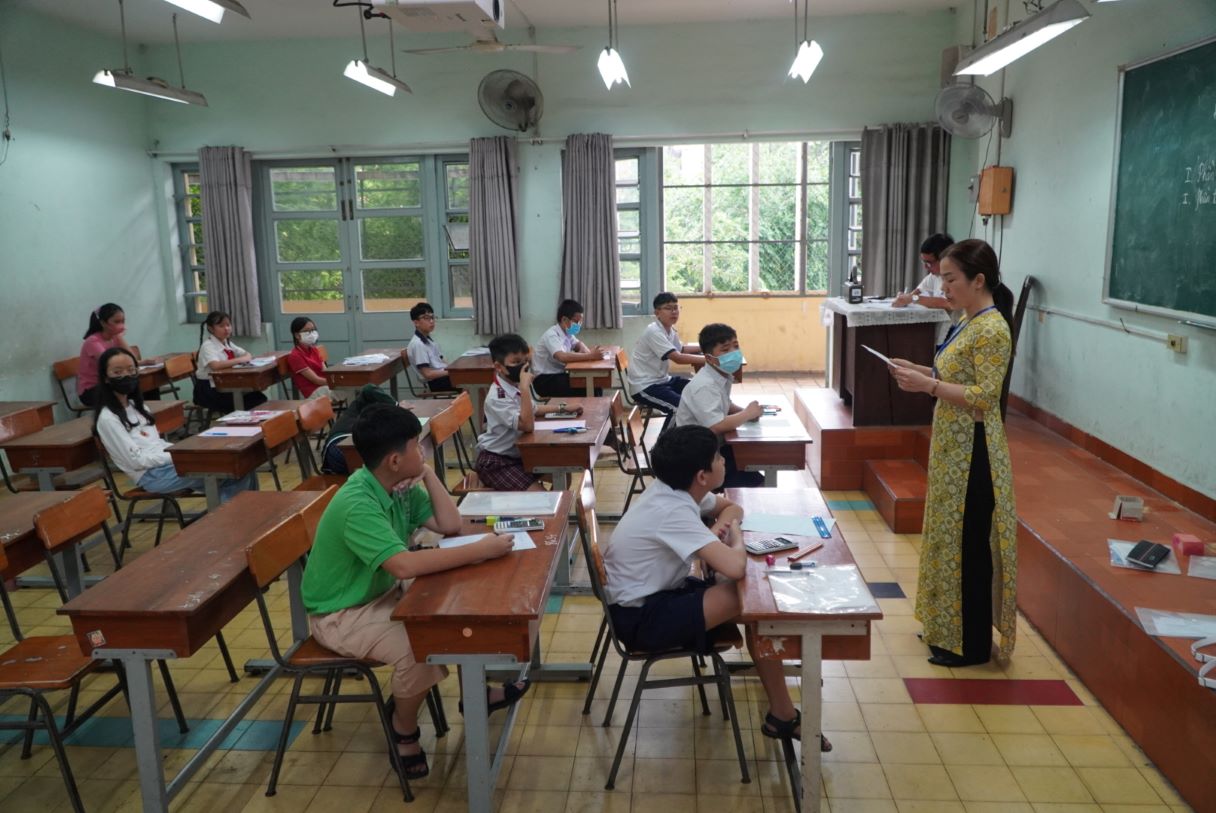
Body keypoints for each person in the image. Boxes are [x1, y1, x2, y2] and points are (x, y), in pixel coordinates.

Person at [301, 404, 529, 779]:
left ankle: (477, 694)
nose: (423, 451)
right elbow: (404, 565)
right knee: (416, 647)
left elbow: (450, 524)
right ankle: (403, 728)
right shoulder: (358, 502)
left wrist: (425, 473)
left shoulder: (396, 485)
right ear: (394, 459)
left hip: (382, 593)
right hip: (341, 613)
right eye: (416, 447)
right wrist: (482, 549)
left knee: (451, 606)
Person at [603, 424, 830, 751]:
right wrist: (732, 535)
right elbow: (736, 563)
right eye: (718, 457)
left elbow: (730, 507)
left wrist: (722, 526)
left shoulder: (674, 490)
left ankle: (781, 712)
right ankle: (783, 710)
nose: (724, 461)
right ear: (701, 475)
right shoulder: (673, 510)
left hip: (658, 595)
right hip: (642, 618)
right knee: (752, 594)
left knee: (750, 596)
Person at [887, 238, 1018, 667]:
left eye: (950, 278)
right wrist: (920, 371)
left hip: (974, 452)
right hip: (952, 448)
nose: (942, 287)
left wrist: (930, 386)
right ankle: (948, 628)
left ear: (979, 280)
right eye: (941, 278)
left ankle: (972, 645)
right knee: (947, 538)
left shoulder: (993, 329)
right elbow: (948, 373)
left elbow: (984, 396)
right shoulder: (966, 321)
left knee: (969, 545)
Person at [93, 347, 256, 503]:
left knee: (242, 465)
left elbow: (157, 444)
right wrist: (175, 455)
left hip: (167, 464)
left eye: (131, 370)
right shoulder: (108, 419)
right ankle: (230, 523)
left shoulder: (138, 407)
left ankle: (239, 519)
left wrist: (181, 453)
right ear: (105, 378)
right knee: (230, 470)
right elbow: (137, 461)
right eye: (118, 372)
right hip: (152, 476)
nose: (126, 376)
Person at [672, 323, 764, 488]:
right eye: (725, 349)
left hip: (715, 447)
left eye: (736, 346)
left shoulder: (721, 374)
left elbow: (725, 403)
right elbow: (715, 425)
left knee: (752, 457)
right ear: (708, 358)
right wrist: (747, 414)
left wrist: (744, 411)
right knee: (756, 482)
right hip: (698, 458)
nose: (733, 353)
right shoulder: (704, 385)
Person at [473, 333, 567, 491]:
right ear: (499, 367)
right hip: (496, 462)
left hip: (520, 455)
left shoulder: (512, 385)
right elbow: (527, 425)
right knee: (542, 498)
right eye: (516, 362)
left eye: (525, 362)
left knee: (562, 472)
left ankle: (548, 511)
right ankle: (542, 510)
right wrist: (525, 388)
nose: (523, 368)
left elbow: (533, 409)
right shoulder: (497, 397)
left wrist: (563, 408)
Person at [627, 292, 704, 421]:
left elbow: (681, 349)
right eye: (668, 308)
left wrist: (706, 348)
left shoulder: (669, 329)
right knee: (680, 409)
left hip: (663, 380)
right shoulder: (654, 332)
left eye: (676, 308)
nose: (674, 312)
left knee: (700, 389)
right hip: (645, 386)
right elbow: (677, 358)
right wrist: (710, 360)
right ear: (657, 312)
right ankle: (664, 440)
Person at [77, 303, 159, 406]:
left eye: (123, 321)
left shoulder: (114, 337)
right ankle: (129, 419)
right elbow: (110, 363)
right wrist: (119, 337)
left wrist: (143, 362)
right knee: (135, 390)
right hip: (93, 389)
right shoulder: (92, 342)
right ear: (103, 323)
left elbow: (131, 359)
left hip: (114, 382)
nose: (121, 325)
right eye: (117, 322)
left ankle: (150, 418)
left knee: (150, 386)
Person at [531, 299, 609, 398]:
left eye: (580, 322)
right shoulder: (552, 335)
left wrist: (587, 352)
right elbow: (562, 357)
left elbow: (578, 344)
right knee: (591, 387)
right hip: (545, 380)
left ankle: (593, 411)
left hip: (558, 376)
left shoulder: (567, 333)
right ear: (564, 319)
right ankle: (590, 411)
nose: (579, 325)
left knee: (595, 384)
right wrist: (590, 355)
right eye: (576, 321)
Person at [193, 311, 268, 413]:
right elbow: (215, 365)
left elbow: (247, 355)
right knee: (249, 402)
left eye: (228, 325)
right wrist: (240, 360)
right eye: (221, 326)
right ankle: (241, 424)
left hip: (226, 384)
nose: (226, 329)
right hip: (210, 389)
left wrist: (243, 358)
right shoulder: (208, 346)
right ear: (211, 328)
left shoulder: (227, 342)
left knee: (258, 397)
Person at [320, 384, 398, 475]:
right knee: (389, 461)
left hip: (338, 451)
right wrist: (397, 406)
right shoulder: (363, 403)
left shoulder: (366, 410)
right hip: (341, 445)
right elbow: (368, 388)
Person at [894, 233, 956, 344]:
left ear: (945, 259)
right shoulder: (934, 276)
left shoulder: (957, 276)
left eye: (929, 263)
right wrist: (904, 298)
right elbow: (917, 291)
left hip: (955, 333)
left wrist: (913, 298)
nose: (925, 267)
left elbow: (949, 303)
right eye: (924, 262)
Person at [406, 302, 456, 393]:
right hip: (436, 382)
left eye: (432, 317)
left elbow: (441, 361)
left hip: (443, 377)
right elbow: (428, 374)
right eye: (426, 318)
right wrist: (452, 372)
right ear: (416, 322)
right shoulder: (418, 344)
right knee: (471, 382)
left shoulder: (429, 340)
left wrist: (453, 369)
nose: (431, 321)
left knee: (471, 377)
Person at [286, 316, 332, 400]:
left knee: (353, 386)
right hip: (314, 391)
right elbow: (316, 380)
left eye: (313, 330)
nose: (312, 333)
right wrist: (335, 383)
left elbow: (325, 372)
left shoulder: (314, 350)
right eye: (307, 331)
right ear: (297, 335)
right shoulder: (295, 356)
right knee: (353, 388)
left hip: (325, 385)